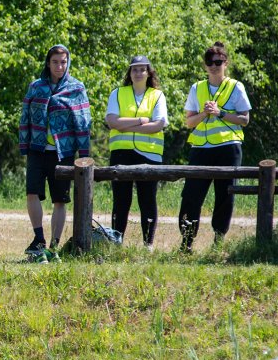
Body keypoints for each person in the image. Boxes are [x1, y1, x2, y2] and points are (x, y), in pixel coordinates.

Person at [19, 44, 91, 257]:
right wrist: (24, 144)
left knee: (60, 199)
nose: (59, 66)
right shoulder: (36, 86)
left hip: (64, 152)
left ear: (68, 63)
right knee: (32, 192)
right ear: (48, 63)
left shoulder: (76, 88)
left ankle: (54, 245)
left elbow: (83, 121)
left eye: (63, 62)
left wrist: (84, 154)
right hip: (37, 148)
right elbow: (25, 117)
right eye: (55, 62)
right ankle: (39, 238)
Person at [178, 41, 251, 251]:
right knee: (191, 196)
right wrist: (205, 113)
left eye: (218, 61)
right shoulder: (197, 88)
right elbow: (189, 122)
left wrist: (221, 113)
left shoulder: (236, 87)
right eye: (209, 62)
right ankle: (186, 243)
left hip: (228, 148)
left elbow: (244, 120)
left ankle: (218, 243)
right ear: (205, 65)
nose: (213, 65)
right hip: (201, 148)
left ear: (225, 63)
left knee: (224, 196)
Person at [105, 55, 168, 249]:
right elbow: (112, 122)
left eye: (142, 69)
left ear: (149, 72)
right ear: (129, 73)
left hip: (149, 155)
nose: (138, 73)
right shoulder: (117, 93)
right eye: (134, 69)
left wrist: (128, 125)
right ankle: (117, 242)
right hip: (121, 153)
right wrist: (141, 121)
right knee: (121, 201)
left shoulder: (157, 95)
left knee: (147, 200)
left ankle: (148, 245)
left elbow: (159, 124)